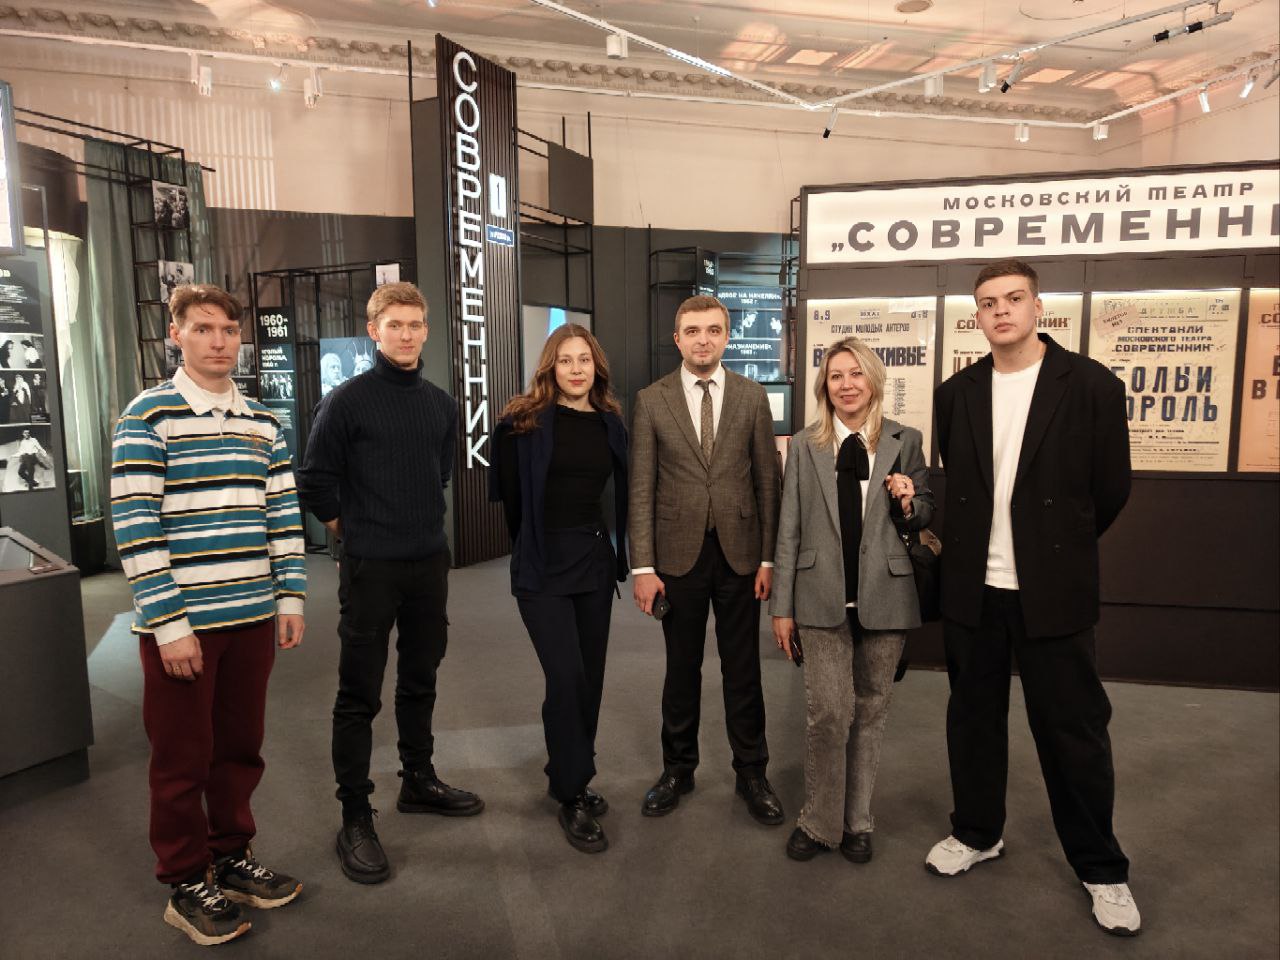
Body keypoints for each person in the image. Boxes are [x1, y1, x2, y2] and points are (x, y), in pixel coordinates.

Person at [927, 259, 1139, 936]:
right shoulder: (956, 392)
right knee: (973, 721)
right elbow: (959, 483)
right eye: (989, 302)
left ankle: (1101, 867)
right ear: (977, 316)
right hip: (974, 588)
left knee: (1073, 732)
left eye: (1013, 298)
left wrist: (1057, 549)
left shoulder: (1092, 386)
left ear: (1037, 307)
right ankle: (977, 831)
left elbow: (1110, 489)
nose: (1001, 311)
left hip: (1053, 591)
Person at [110, 283, 307, 947]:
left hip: (250, 618)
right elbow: (136, 526)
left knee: (239, 750)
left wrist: (290, 596)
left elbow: (282, 514)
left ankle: (231, 855)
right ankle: (185, 879)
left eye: (228, 329)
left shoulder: (264, 422)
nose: (219, 341)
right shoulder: (148, 417)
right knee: (181, 760)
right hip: (184, 626)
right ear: (176, 335)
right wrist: (169, 625)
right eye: (203, 328)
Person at [298, 282, 483, 886]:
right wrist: (353, 531)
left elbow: (439, 474)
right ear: (373, 331)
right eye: (394, 325)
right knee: (359, 694)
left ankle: (418, 780)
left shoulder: (441, 404)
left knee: (420, 679)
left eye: (415, 324)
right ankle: (354, 815)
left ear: (426, 330)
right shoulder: (345, 402)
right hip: (370, 567)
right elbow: (315, 480)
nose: (406, 334)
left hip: (428, 564)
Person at [770, 337, 933, 864]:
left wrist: (909, 500)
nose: (846, 385)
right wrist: (781, 607)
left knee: (870, 710)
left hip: (885, 593)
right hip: (820, 596)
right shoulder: (805, 445)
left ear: (873, 380)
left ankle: (858, 821)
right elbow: (789, 528)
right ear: (825, 386)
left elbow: (924, 511)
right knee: (829, 713)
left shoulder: (906, 440)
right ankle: (819, 822)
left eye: (856, 374)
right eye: (836, 376)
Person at [629, 294, 783, 824]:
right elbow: (641, 489)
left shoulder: (752, 396)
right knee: (681, 670)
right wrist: (643, 568)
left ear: (726, 336)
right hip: (677, 557)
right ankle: (678, 769)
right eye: (692, 331)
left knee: (744, 671)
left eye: (713, 330)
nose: (703, 340)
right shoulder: (651, 400)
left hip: (741, 556)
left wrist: (769, 559)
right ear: (678, 339)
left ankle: (752, 772)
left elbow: (767, 482)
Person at [490, 324, 629, 854]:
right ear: (550, 366)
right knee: (566, 676)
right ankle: (572, 794)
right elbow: (511, 502)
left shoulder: (611, 422)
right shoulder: (520, 423)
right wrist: (534, 549)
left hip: (593, 563)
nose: (576, 369)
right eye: (566, 360)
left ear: (597, 367)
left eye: (584, 360)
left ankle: (569, 773)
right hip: (542, 566)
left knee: (588, 680)